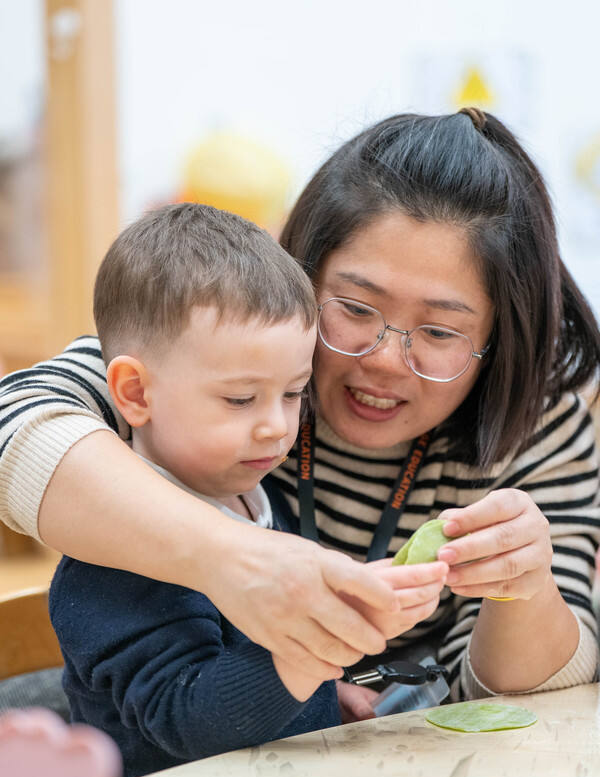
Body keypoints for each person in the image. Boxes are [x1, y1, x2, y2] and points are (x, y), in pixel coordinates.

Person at [1, 109, 598, 716]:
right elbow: (16, 428)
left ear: (499, 337)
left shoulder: (536, 422)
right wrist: (236, 561)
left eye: (441, 331)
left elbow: (536, 703)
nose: (387, 360)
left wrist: (520, 588)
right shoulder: (221, 351)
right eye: (356, 309)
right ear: (301, 280)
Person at [49, 204, 423, 777]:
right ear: (136, 393)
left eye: (294, 393)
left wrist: (323, 697)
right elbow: (190, 723)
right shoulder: (112, 566)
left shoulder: (253, 498)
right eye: (241, 399)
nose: (277, 426)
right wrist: (312, 656)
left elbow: (253, 677)